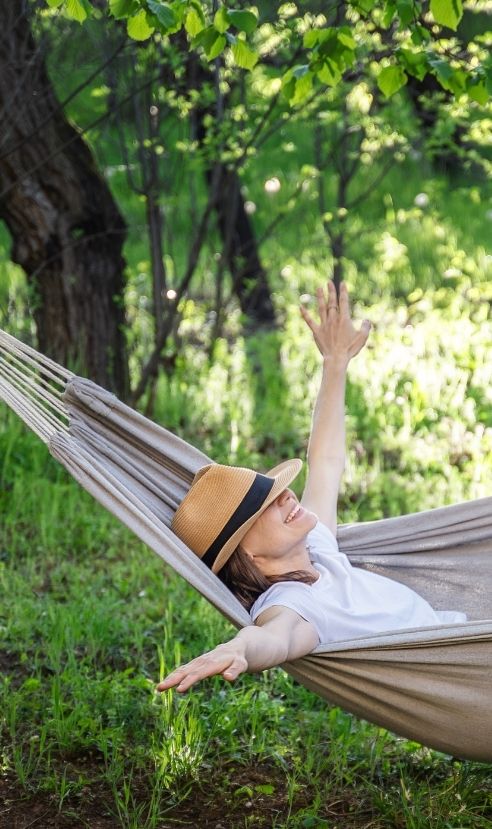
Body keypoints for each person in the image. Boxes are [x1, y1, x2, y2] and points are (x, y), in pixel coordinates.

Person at [156, 280, 466, 695]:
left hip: (465, 637)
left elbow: (325, 462)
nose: (287, 495)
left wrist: (335, 363)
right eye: (267, 503)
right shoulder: (294, 603)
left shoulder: (319, 551)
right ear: (248, 553)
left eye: (276, 489)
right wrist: (239, 650)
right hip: (461, 669)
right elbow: (273, 638)